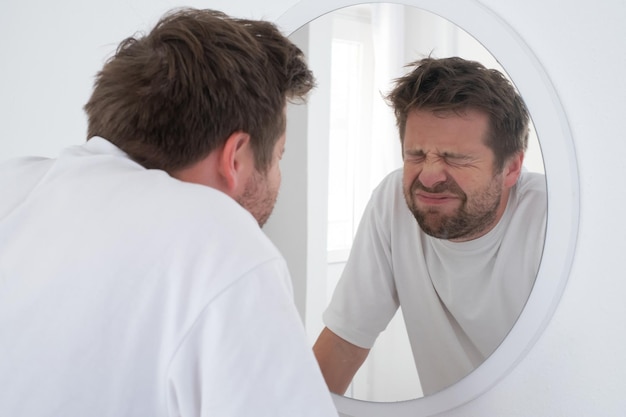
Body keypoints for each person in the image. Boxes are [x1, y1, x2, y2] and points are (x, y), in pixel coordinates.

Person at [0, 8, 338, 417]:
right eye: (279, 155)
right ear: (235, 158)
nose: (279, 173)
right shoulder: (216, 238)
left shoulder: (13, 184)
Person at [313, 57, 547, 396]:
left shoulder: (549, 220)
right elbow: (343, 344)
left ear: (512, 168)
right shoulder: (392, 202)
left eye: (456, 158)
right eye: (417, 155)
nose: (430, 176)